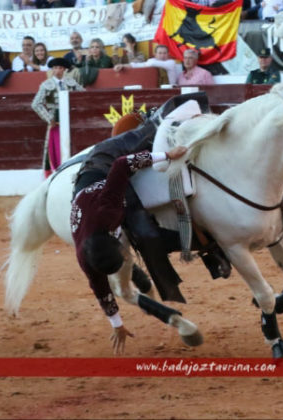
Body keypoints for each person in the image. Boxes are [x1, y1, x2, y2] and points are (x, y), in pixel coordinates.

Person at [70, 145, 188, 353]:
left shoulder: (108, 207)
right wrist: (118, 325)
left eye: (123, 252)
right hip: (88, 203)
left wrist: (168, 155)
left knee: (145, 134)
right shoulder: (85, 258)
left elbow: (121, 164)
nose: (127, 253)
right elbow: (101, 290)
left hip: (100, 166)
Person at [31, 58, 85, 178]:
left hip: (70, 120)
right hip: (55, 120)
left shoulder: (71, 82)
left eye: (60, 68)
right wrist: (49, 118)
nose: (57, 70)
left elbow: (84, 96)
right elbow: (36, 104)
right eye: (55, 68)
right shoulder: (47, 85)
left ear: (64, 69)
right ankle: (51, 174)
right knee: (53, 147)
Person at [114, 44, 182, 86]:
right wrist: (122, 65)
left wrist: (150, 62)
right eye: (160, 53)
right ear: (155, 54)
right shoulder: (151, 62)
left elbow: (151, 63)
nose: (162, 55)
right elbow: (136, 65)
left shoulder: (171, 62)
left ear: (168, 54)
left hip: (172, 90)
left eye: (164, 53)